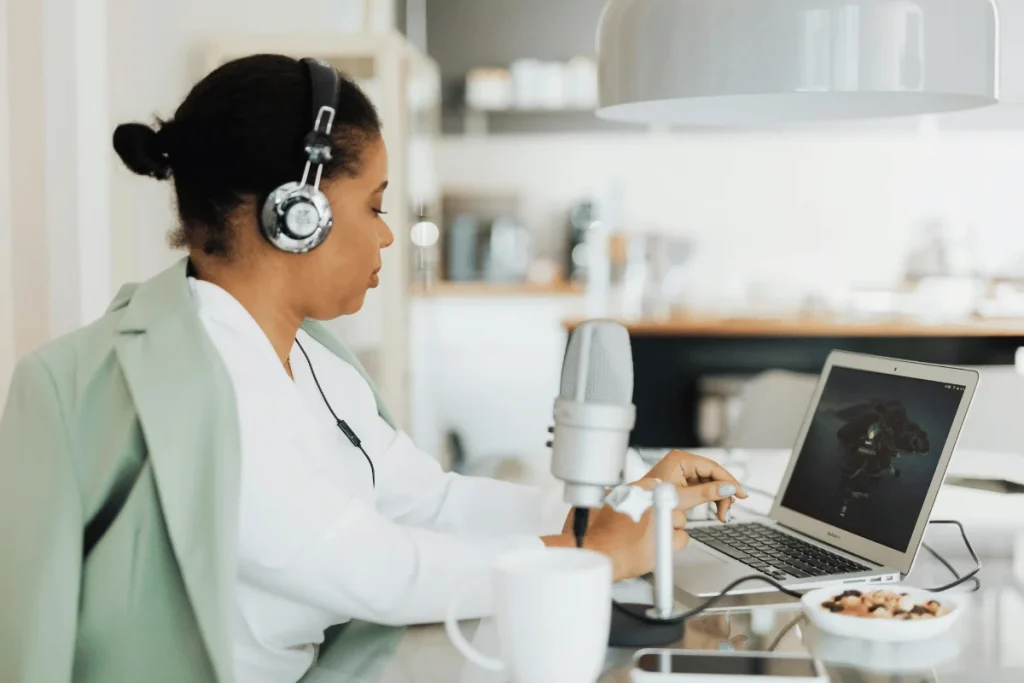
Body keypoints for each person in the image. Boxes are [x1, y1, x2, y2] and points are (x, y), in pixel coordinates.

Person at [0, 54, 746, 683]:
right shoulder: (204, 379)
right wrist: (589, 551)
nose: (388, 235)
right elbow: (378, 569)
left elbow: (428, 499)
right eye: (375, 204)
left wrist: (618, 506)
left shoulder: (311, 354)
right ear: (297, 213)